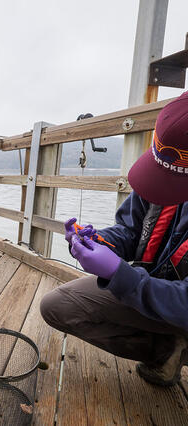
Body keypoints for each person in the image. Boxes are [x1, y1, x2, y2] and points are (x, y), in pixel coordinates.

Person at [40, 91, 188, 387]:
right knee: (58, 306)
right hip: (158, 290)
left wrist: (122, 276)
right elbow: (131, 231)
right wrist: (98, 242)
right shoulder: (165, 171)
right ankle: (167, 350)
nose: (162, 184)